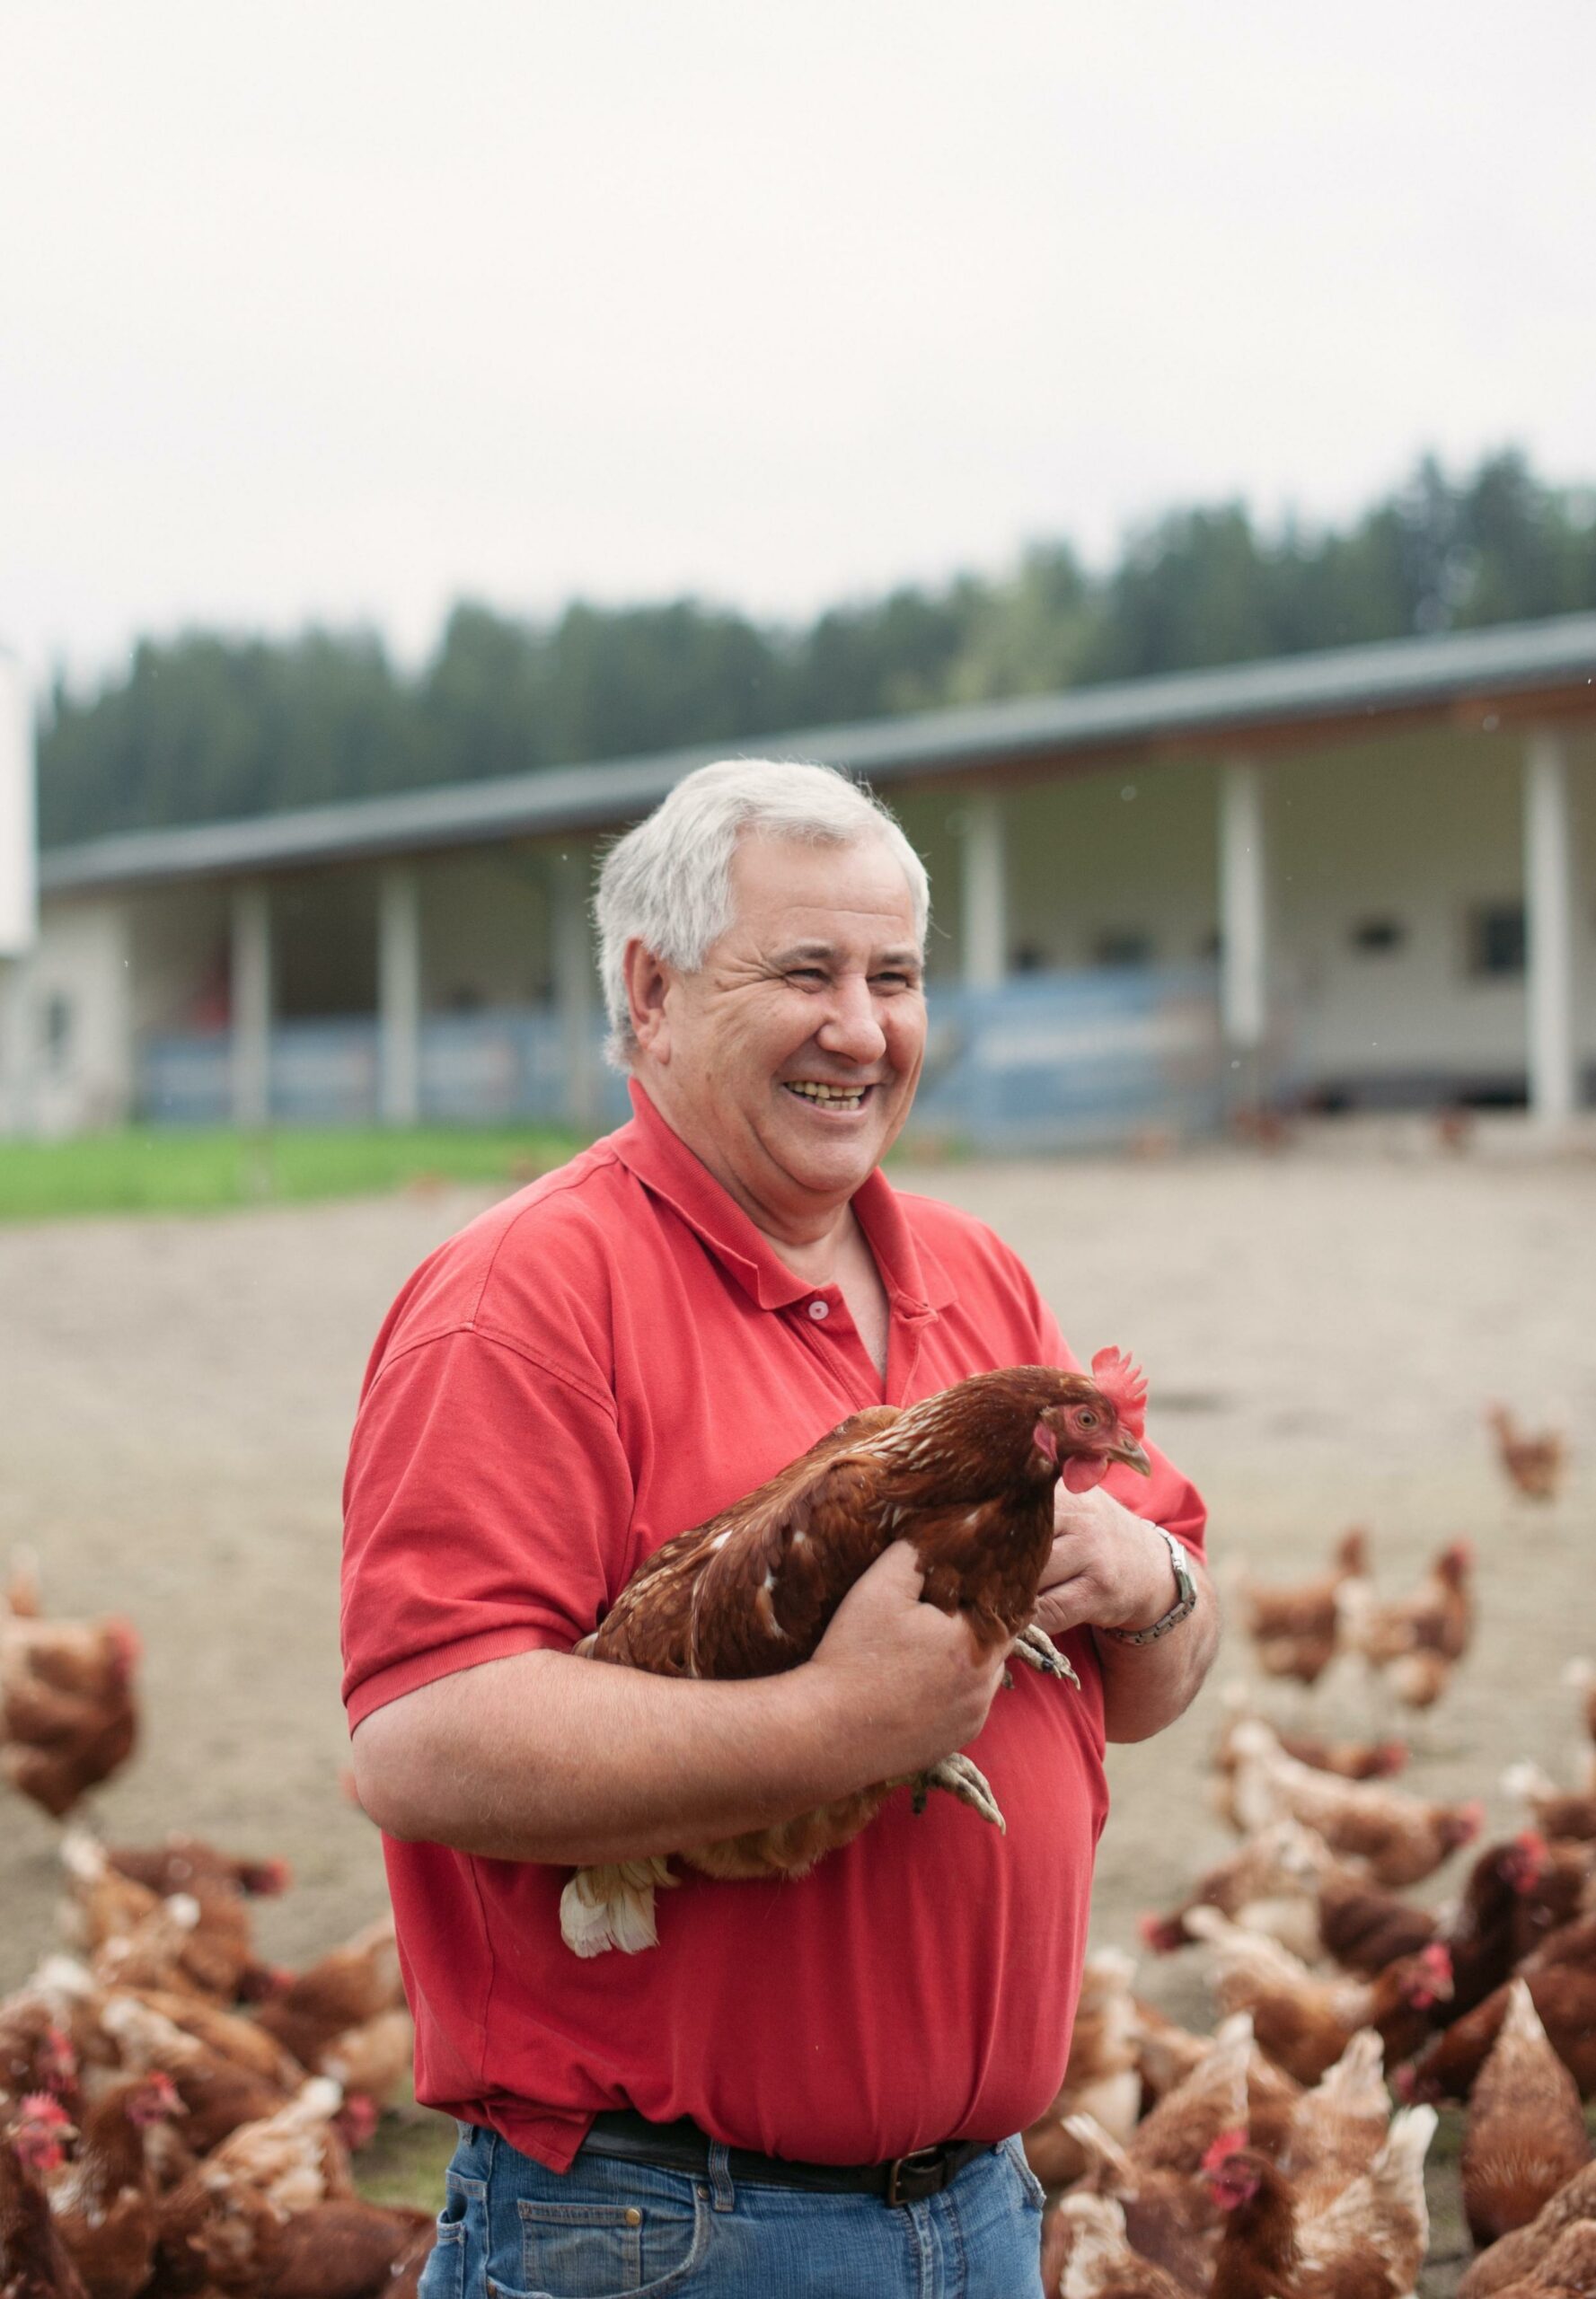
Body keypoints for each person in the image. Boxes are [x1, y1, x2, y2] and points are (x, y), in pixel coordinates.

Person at [342, 758, 1218, 2299]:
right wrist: (833, 1721)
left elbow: (1153, 1688)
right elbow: (419, 1742)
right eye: (804, 972)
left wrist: (1152, 1586)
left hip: (981, 2210)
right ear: (653, 993)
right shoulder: (524, 1299)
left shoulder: (976, 1275)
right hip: (665, 2227)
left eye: (895, 978)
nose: (862, 1029)